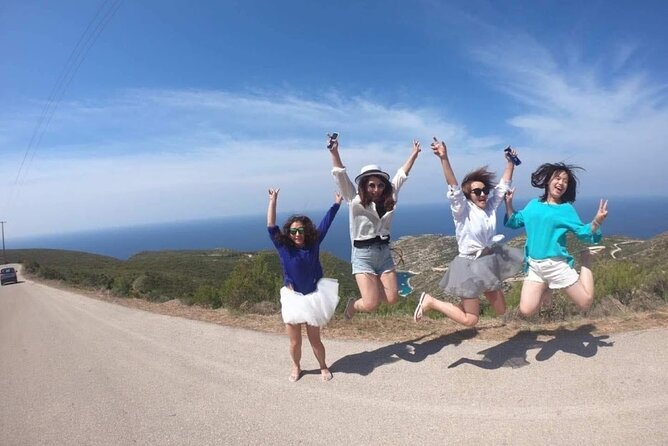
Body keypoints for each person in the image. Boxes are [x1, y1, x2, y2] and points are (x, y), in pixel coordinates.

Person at [413, 138, 524, 327]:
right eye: (477, 191)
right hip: (468, 266)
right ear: (469, 195)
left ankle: (461, 304)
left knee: (501, 311)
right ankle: (431, 301)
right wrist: (444, 158)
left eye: (484, 190)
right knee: (470, 320)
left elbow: (503, 185)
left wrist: (510, 163)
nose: (482, 194)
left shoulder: (489, 207)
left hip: (487, 262)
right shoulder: (462, 210)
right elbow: (454, 189)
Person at [328, 134, 421, 320]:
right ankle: (353, 305)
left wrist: (414, 154)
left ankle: (373, 291)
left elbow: (401, 175)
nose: (376, 189)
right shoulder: (354, 200)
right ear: (364, 185)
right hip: (363, 255)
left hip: (384, 254)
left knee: (392, 299)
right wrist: (334, 152)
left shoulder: (390, 197)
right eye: (371, 185)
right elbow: (340, 174)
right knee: (370, 304)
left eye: (379, 185)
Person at [503, 162, 608, 316]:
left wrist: (597, 221)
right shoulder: (533, 204)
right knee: (527, 311)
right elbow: (515, 221)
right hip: (535, 266)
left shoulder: (566, 209)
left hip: (556, 265)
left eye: (565, 181)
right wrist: (509, 204)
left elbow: (582, 232)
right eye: (557, 178)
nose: (561, 183)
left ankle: (586, 259)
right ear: (548, 181)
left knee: (585, 302)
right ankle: (546, 286)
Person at [267, 188, 343, 382]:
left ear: (305, 231)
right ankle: (296, 366)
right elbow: (270, 225)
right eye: (293, 231)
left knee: (315, 340)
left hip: (312, 298)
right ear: (289, 232)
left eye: (300, 230)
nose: (297, 234)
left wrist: (336, 204)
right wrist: (273, 200)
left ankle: (323, 367)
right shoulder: (283, 247)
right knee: (295, 341)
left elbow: (326, 224)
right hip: (292, 299)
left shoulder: (313, 243)